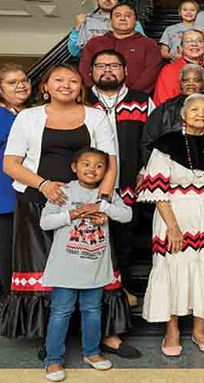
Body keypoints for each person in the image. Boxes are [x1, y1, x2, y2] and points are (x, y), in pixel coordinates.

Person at [1, 65, 117, 347]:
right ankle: (49, 338)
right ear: (46, 86)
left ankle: (97, 334)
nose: (66, 85)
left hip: (86, 205)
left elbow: (111, 163)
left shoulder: (96, 116)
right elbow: (10, 163)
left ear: (81, 88)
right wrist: (44, 185)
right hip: (37, 202)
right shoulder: (28, 117)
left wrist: (101, 203)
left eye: (73, 81)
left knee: (88, 263)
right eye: (59, 80)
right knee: (42, 270)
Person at [137, 93, 204, 356]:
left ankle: (199, 330)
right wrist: (172, 227)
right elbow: (158, 190)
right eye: (193, 109)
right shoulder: (166, 146)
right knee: (173, 270)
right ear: (183, 115)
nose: (200, 114)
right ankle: (171, 331)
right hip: (175, 218)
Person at [41, 148, 132, 382]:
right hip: (65, 267)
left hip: (95, 266)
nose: (92, 169)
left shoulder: (108, 194)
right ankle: (53, 359)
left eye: (99, 165)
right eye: (86, 164)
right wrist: (73, 214)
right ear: (75, 167)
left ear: (106, 171)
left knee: (92, 311)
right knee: (61, 312)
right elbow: (45, 222)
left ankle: (91, 353)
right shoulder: (64, 191)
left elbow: (126, 215)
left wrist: (102, 208)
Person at [86, 48, 153, 359]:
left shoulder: (141, 100)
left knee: (123, 241)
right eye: (101, 66)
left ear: (125, 70)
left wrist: (145, 171)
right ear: (92, 71)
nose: (107, 70)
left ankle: (121, 287)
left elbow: (151, 139)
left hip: (128, 184)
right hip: (87, 188)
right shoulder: (82, 100)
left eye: (113, 65)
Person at [142, 64, 204, 165]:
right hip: (170, 172)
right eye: (185, 80)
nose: (190, 84)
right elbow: (148, 143)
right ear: (180, 84)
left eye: (196, 80)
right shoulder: (164, 110)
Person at [80, 3, 161, 94]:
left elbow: (151, 72)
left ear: (135, 20)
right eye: (117, 15)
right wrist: (95, 92)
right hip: (96, 97)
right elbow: (85, 68)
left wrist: (131, 94)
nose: (122, 18)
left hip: (135, 98)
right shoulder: (94, 43)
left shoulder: (149, 44)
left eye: (127, 15)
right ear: (110, 21)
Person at [0, 64, 31, 297]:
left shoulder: (32, 113)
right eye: (12, 82)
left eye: (24, 80)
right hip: (5, 197)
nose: (21, 85)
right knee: (6, 255)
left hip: (30, 195)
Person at [153, 29, 204, 107]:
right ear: (181, 47)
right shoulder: (169, 71)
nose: (194, 44)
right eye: (188, 41)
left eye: (199, 41)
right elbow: (164, 103)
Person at [68, 0, 145, 57]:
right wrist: (77, 28)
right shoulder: (86, 20)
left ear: (118, 2)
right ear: (97, 0)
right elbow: (74, 51)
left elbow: (143, 46)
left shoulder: (130, 21)